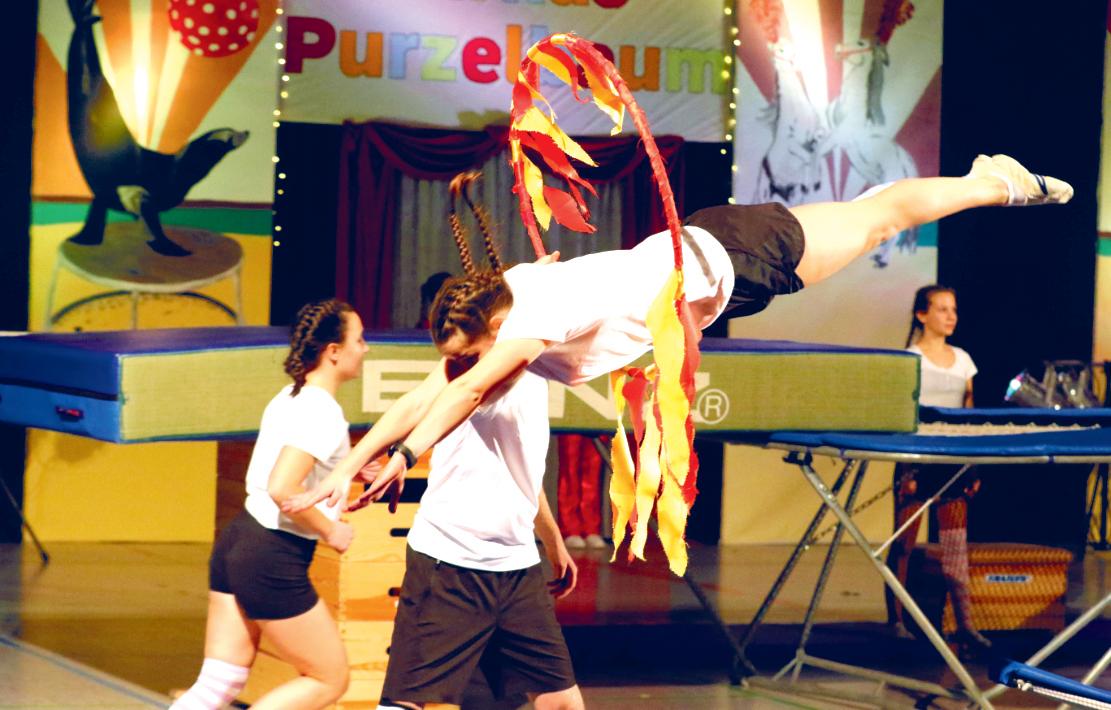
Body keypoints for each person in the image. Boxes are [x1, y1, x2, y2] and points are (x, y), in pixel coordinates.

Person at [311, 153, 1073, 516]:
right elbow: (430, 395)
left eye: (471, 354)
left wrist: (404, 458)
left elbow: (469, 389)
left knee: (879, 217)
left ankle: (994, 183)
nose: (470, 369)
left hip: (734, 257)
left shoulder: (527, 324)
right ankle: (975, 180)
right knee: (868, 212)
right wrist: (349, 461)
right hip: (714, 256)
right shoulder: (516, 299)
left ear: (490, 328)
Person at [171, 298, 367, 710]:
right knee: (329, 679)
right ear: (333, 351)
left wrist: (348, 470)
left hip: (239, 541)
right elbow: (282, 487)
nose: (365, 349)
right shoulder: (322, 411)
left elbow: (295, 464)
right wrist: (331, 530)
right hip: (272, 554)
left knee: (219, 683)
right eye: (360, 340)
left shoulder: (292, 397)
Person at [884, 285, 989, 655]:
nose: (950, 316)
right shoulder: (910, 359)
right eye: (942, 309)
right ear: (922, 314)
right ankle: (896, 621)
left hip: (952, 463)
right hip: (916, 461)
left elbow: (970, 417)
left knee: (955, 548)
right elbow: (901, 413)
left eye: (953, 309)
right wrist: (906, 467)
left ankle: (965, 625)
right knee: (903, 546)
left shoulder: (963, 360)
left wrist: (971, 466)